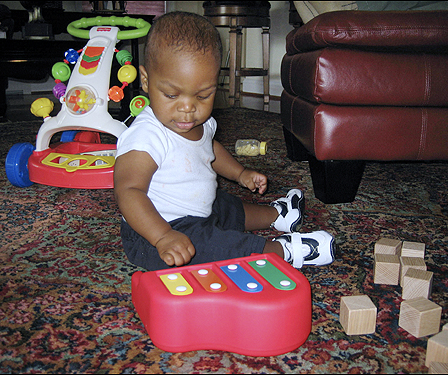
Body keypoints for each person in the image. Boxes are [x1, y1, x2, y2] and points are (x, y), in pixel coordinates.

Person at [113, 11, 335, 271]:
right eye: (172, 95)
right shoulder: (145, 136)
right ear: (146, 80)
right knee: (214, 246)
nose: (188, 108)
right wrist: (162, 236)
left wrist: (240, 173)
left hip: (198, 209)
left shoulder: (201, 123)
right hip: (155, 230)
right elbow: (128, 191)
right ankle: (281, 251)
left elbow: (210, 149)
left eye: (203, 95)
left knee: (225, 205)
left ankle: (277, 215)